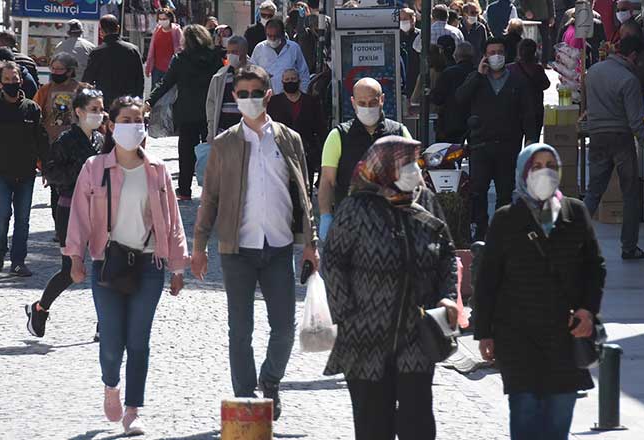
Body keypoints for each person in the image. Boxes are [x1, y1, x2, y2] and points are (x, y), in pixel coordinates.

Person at [192, 64, 319, 421]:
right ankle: (245, 401)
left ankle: (271, 379)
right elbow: (210, 198)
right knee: (240, 330)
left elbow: (303, 194)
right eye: (242, 93)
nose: (249, 99)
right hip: (238, 251)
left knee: (284, 327)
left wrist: (311, 242)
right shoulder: (225, 143)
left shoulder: (289, 139)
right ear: (235, 97)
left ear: (267, 95)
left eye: (255, 93)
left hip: (279, 248)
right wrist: (199, 246)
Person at [64, 96, 188, 436]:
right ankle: (110, 386)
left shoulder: (157, 169)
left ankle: (133, 409)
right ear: (112, 125)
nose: (134, 126)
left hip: (149, 265)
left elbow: (172, 220)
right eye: (127, 120)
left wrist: (178, 267)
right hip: (108, 264)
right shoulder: (94, 168)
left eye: (139, 120)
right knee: (111, 340)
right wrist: (75, 257)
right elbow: (78, 215)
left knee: (139, 340)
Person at [324, 136, 459, 440]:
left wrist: (447, 297)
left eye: (415, 162)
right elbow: (332, 264)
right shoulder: (355, 209)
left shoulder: (425, 201)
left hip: (417, 332)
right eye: (405, 163)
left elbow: (447, 253)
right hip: (365, 339)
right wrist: (348, 315)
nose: (415, 170)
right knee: (374, 425)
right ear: (384, 169)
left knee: (418, 422)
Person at [474, 143, 606, 440]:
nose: (544, 172)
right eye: (536, 166)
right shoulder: (507, 219)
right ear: (523, 172)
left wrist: (588, 310)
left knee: (559, 421)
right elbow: (487, 280)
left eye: (551, 165)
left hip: (565, 335)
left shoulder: (575, 212)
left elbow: (594, 266)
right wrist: (484, 331)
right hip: (517, 337)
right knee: (526, 418)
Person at [25, 88, 104, 338]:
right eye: (93, 110)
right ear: (79, 112)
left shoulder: (100, 141)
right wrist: (81, 173)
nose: (99, 114)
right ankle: (40, 308)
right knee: (72, 271)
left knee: (104, 266)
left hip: (99, 210)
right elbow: (51, 172)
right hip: (70, 210)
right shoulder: (65, 140)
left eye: (101, 110)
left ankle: (105, 324)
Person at [583, 35, 644, 260]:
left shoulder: (594, 72)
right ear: (633, 56)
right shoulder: (629, 80)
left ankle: (573, 241)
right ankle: (629, 246)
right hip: (620, 139)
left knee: (593, 193)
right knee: (630, 195)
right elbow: (636, 121)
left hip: (596, 136)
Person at [456, 38, 538, 240]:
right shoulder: (476, 79)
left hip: (508, 146)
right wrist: (478, 75)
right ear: (484, 56)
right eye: (491, 52)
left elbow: (529, 112)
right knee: (479, 190)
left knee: (505, 193)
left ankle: (503, 233)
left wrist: (531, 139)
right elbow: (460, 98)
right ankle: (481, 232)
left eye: (499, 51)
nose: (496, 56)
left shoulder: (517, 81)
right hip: (480, 146)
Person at [0, 61, 49, 276]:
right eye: (6, 80)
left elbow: (41, 140)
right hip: (0, 172)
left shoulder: (32, 108)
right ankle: (0, 252)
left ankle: (18, 261)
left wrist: (46, 168)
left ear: (20, 80)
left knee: (23, 219)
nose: (11, 83)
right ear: (0, 82)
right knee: (2, 215)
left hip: (26, 173)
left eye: (14, 79)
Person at [318, 77, 411, 241]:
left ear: (382, 100)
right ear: (353, 103)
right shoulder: (338, 137)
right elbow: (327, 181)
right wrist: (326, 216)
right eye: (362, 103)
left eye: (373, 102)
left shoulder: (399, 133)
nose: (367, 107)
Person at [148, 24, 224, 201]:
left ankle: (184, 190)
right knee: (211, 150)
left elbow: (165, 84)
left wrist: (149, 101)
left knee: (186, 153)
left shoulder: (180, 59)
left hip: (187, 112)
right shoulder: (215, 58)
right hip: (210, 111)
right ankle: (212, 190)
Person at [267, 68, 327, 193]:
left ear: (299, 81)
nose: (290, 82)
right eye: (287, 79)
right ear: (282, 82)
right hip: (281, 152)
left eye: (293, 79)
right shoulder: (273, 102)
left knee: (305, 188)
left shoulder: (311, 101)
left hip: (307, 153)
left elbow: (320, 127)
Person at [83, 15, 145, 107]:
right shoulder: (133, 50)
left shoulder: (97, 52)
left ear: (101, 31)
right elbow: (140, 80)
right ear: (118, 28)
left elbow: (88, 80)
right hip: (128, 104)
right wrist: (137, 102)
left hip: (105, 104)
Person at [34, 52, 86, 143]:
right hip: (50, 142)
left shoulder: (82, 90)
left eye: (59, 69)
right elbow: (35, 112)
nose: (54, 72)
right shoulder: (45, 90)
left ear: (70, 71)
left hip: (76, 142)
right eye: (52, 68)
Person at [251, 18, 310, 96]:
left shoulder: (293, 48)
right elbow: (252, 72)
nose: (272, 39)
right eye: (269, 36)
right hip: (266, 98)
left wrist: (302, 95)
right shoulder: (259, 48)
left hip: (291, 98)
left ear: (282, 34)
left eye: (275, 36)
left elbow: (303, 73)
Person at [431, 42, 475, 143]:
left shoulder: (448, 73)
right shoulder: (478, 73)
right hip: (472, 126)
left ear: (456, 56)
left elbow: (437, 99)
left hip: (451, 126)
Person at [207, 35, 250, 140]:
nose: (230, 55)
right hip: (223, 132)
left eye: (234, 52)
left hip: (248, 133)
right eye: (228, 52)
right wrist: (211, 131)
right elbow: (211, 104)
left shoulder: (256, 74)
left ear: (244, 52)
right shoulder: (220, 76)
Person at [508, 39, 551, 137]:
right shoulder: (538, 69)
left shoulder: (510, 69)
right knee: (532, 142)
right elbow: (546, 84)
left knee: (514, 143)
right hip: (535, 111)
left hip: (515, 112)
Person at [145, 8, 184, 89]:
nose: (162, 21)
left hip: (171, 69)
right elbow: (152, 50)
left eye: (164, 19)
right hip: (157, 69)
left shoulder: (176, 31)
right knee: (155, 93)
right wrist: (148, 67)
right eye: (160, 19)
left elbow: (182, 48)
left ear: (170, 18)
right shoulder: (157, 30)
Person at [520, 0, 555, 67]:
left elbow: (550, 2)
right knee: (529, 41)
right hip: (531, 17)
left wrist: (552, 16)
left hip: (544, 16)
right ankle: (528, 61)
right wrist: (526, 10)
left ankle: (544, 62)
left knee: (546, 39)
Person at [399, 8, 421, 98]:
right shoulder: (395, 36)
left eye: (405, 19)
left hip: (416, 80)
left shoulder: (420, 35)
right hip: (400, 82)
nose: (402, 22)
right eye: (401, 19)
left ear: (413, 19)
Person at [460, 2, 488, 67]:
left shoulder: (481, 28)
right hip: (460, 65)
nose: (475, 15)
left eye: (476, 13)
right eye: (472, 13)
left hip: (476, 65)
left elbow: (484, 47)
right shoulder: (458, 28)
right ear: (465, 13)